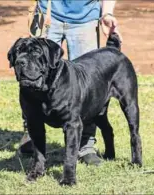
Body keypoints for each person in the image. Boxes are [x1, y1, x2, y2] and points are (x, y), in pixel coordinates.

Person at [19, 0, 121, 166]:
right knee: (32, 79)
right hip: (46, 14)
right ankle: (31, 132)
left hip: (85, 18)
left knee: (89, 87)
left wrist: (106, 13)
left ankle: (86, 145)